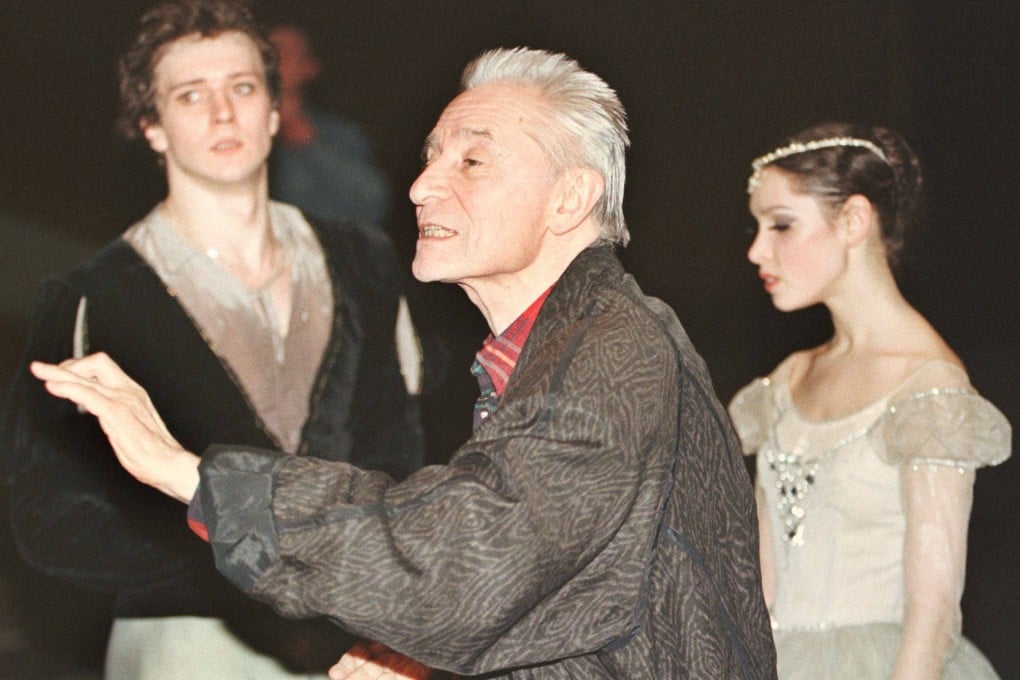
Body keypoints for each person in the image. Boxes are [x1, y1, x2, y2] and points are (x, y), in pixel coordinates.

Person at [29, 46, 778, 679]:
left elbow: (464, 559)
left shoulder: (613, 348)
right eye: (430, 160)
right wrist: (417, 651)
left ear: (569, 197)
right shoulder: (548, 353)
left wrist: (188, 473)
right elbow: (571, 590)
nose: (422, 186)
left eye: (472, 160)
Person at [0, 1, 423, 678]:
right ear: (151, 125)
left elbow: (401, 458)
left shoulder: (366, 263)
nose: (223, 113)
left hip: (357, 647)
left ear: (275, 106)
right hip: (190, 644)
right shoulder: (88, 298)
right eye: (191, 95)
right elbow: (48, 521)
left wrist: (395, 623)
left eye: (243, 88)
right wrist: (243, 561)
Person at [728, 123, 1011, 679]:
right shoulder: (788, 379)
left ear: (854, 220)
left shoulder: (929, 388)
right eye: (758, 226)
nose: (757, 249)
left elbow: (932, 618)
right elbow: (758, 587)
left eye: (782, 224)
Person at [267, 23, 391, 227]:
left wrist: (309, 145)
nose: (274, 61)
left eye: (284, 52)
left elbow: (374, 200)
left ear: (309, 67)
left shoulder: (337, 132)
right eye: (267, 52)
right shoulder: (237, 129)